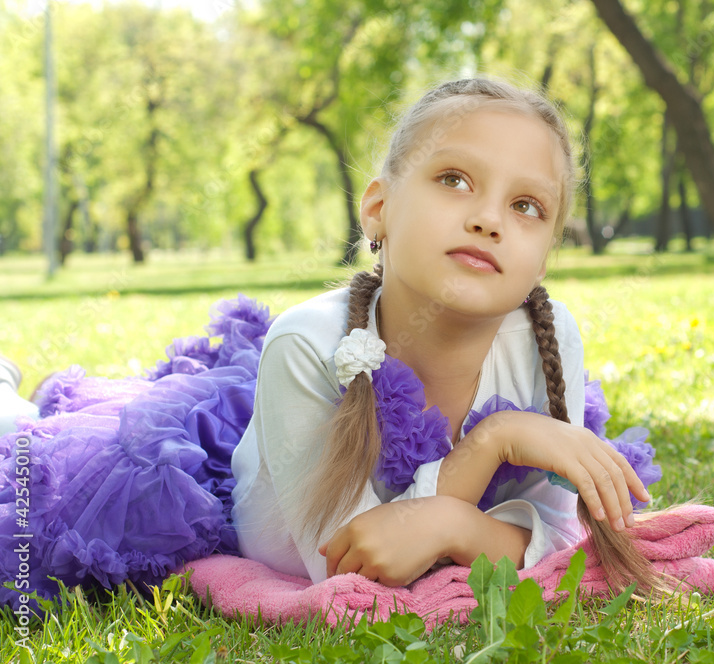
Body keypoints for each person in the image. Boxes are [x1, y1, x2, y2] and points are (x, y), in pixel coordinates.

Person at [230, 78, 663, 591]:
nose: (487, 220)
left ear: (544, 257)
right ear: (377, 209)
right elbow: (355, 564)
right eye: (454, 179)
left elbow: (560, 541)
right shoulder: (306, 346)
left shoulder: (548, 337)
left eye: (526, 206)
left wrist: (453, 526)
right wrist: (494, 442)